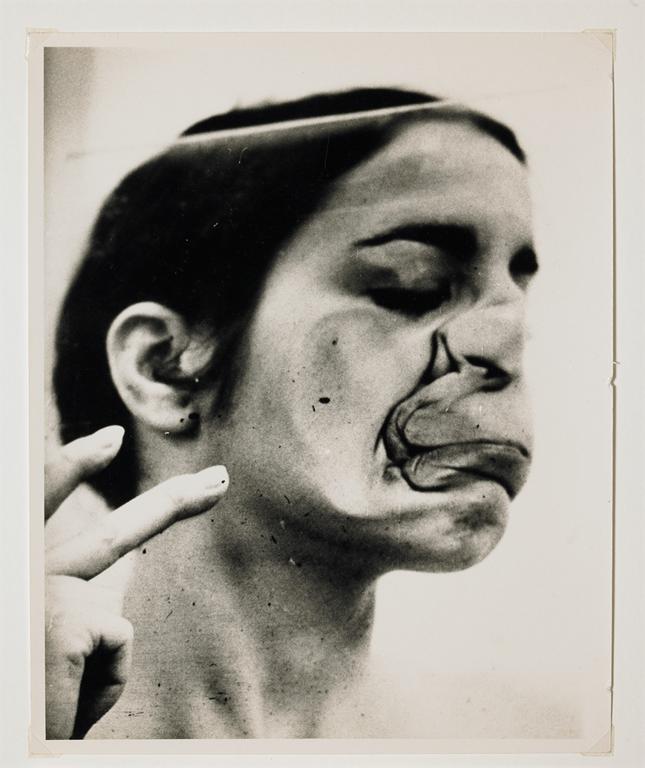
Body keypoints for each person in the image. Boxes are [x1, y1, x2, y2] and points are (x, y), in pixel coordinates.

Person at [45, 87, 539, 739]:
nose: (503, 346)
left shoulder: (523, 737)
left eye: (517, 292)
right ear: (163, 367)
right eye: (410, 285)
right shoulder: (33, 729)